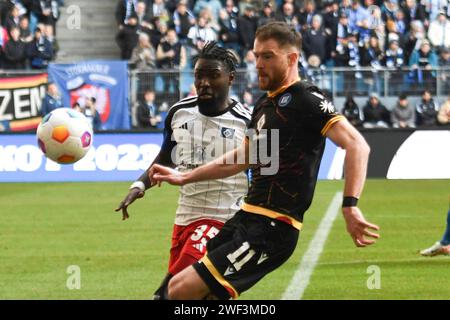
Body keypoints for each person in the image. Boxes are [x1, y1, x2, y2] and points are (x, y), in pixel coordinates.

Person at [150, 21, 380, 300]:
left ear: (292, 58)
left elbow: (357, 145)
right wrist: (185, 176)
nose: (258, 63)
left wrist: (350, 206)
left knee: (180, 291)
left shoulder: (306, 99)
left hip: (273, 227)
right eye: (256, 55)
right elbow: (246, 156)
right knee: (189, 291)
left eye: (268, 56)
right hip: (246, 217)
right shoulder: (265, 105)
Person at [115, 42, 251, 300]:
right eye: (199, 75)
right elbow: (167, 155)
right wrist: (139, 185)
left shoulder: (247, 121)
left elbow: (264, 172)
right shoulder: (178, 112)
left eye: (213, 75)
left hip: (224, 219)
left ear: (230, 78)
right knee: (201, 296)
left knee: (171, 291)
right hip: (186, 216)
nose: (204, 82)